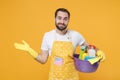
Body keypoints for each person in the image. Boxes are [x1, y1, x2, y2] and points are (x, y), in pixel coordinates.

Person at [14, 8, 105, 80]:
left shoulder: (76, 35)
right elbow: (43, 60)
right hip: (54, 78)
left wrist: (98, 52)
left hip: (71, 77)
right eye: (59, 18)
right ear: (55, 18)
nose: (62, 21)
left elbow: (89, 48)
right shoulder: (47, 36)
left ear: (68, 20)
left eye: (65, 19)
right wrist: (30, 51)